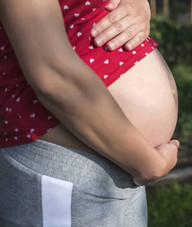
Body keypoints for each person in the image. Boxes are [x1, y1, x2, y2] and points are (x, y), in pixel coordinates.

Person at [0, 0, 179, 226]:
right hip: (64, 169)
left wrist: (139, 4)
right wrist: (147, 163)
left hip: (118, 160)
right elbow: (53, 74)